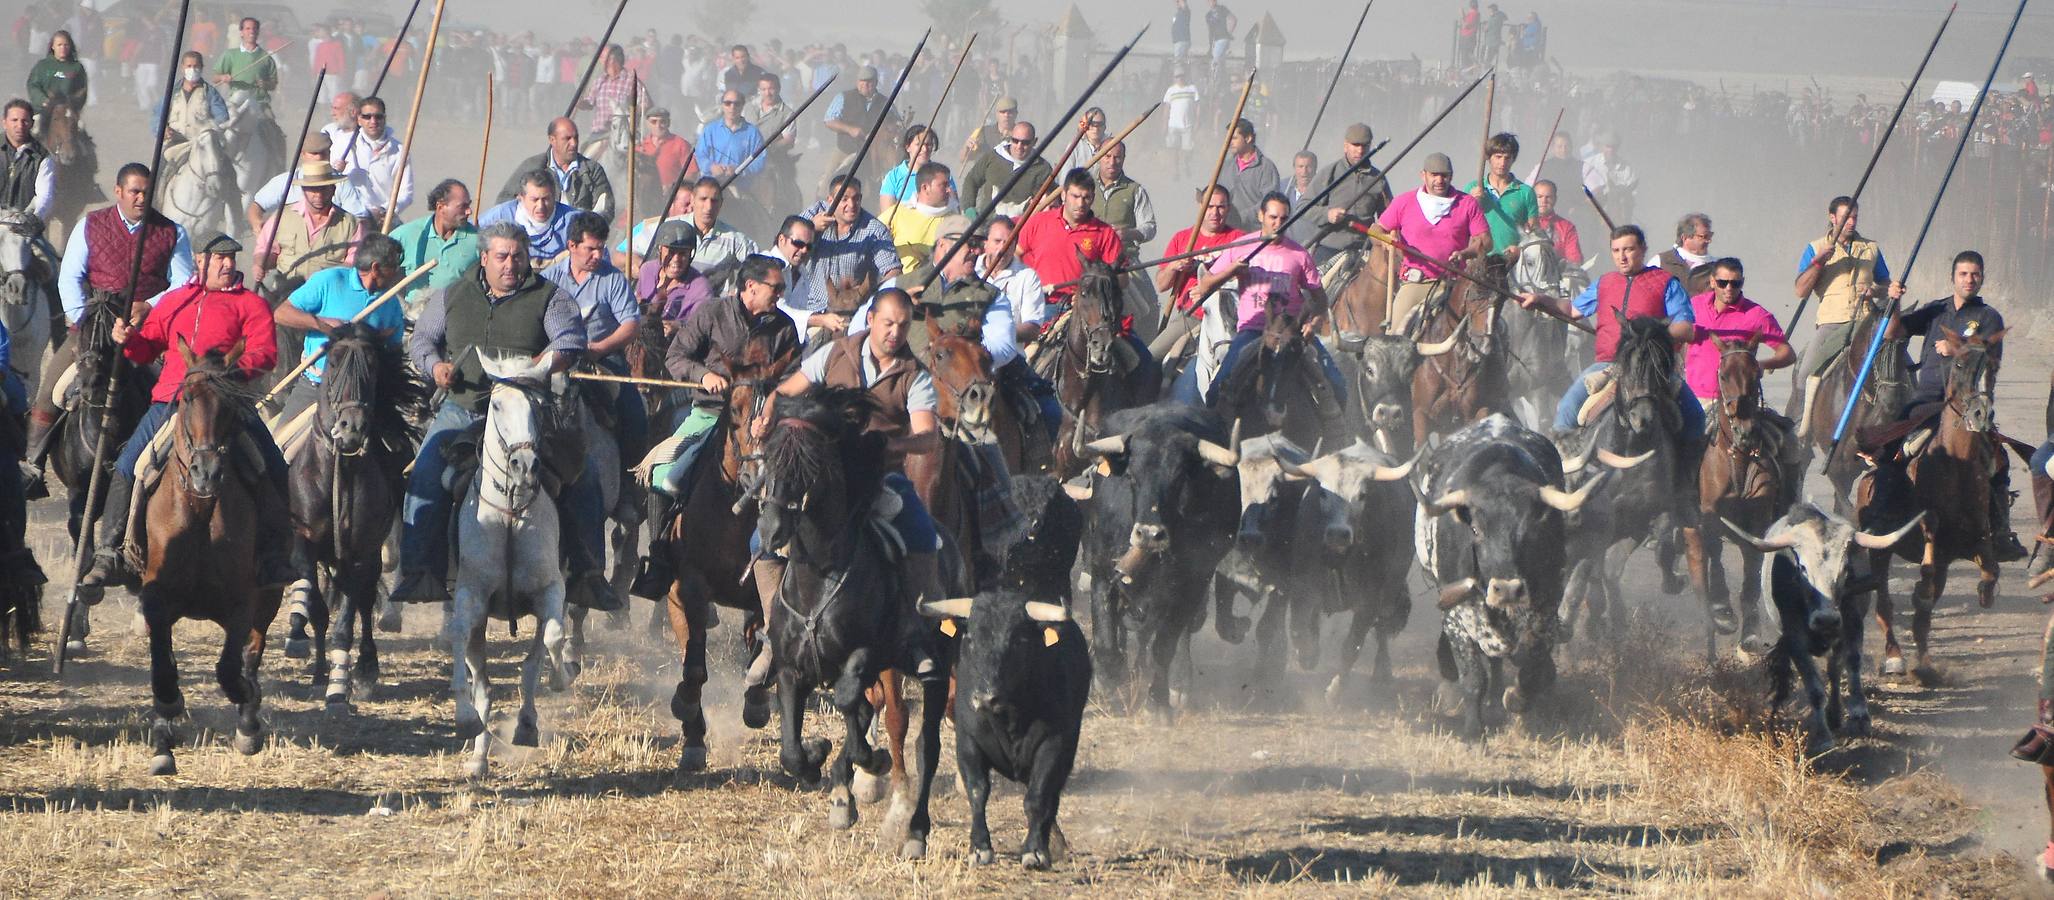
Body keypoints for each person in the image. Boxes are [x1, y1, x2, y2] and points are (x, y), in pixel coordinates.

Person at [394, 221, 619, 610]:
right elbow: (423, 340)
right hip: (465, 406)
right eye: (501, 257)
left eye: (518, 256)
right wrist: (435, 368)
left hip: (531, 407)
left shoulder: (550, 297)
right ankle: (420, 572)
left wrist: (546, 361)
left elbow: (569, 339)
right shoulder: (451, 295)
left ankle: (588, 574)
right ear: (484, 258)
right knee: (425, 474)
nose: (510, 265)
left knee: (583, 474)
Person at [78, 230, 293, 591]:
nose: (227, 264)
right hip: (171, 401)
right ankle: (110, 552)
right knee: (128, 464)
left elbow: (266, 354)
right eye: (220, 258)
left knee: (273, 466)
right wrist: (128, 339)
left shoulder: (251, 305)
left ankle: (276, 553)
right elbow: (147, 349)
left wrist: (226, 372)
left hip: (228, 403)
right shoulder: (176, 301)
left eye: (231, 257)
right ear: (200, 261)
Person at [759, 287, 945, 677]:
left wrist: (891, 442)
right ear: (871, 318)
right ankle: (774, 635)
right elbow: (785, 392)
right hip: (821, 476)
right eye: (888, 323)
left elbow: (927, 436)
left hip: (881, 475)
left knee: (922, 532)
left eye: (903, 325)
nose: (894, 332)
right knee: (760, 540)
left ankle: (912, 633)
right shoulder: (834, 353)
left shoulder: (915, 375)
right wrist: (766, 418)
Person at [632, 253, 800, 596]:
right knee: (666, 475)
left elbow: (795, 378)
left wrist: (770, 409)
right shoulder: (711, 313)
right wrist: (704, 375)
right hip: (708, 414)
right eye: (776, 287)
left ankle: (791, 567)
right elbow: (676, 357)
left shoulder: (784, 328)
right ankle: (660, 558)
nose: (780, 294)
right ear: (750, 286)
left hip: (764, 424)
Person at [25, 163, 193, 489]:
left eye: (146, 191)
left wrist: (150, 307)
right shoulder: (90, 225)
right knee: (52, 389)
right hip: (94, 326)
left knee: (176, 393)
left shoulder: (173, 232)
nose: (141, 198)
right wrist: (83, 320)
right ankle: (34, 463)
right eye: (134, 191)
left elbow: (184, 282)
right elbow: (71, 276)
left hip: (150, 331)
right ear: (118, 192)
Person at [1868, 250, 2023, 560]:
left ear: (1982, 278)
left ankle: (2000, 529)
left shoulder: (1989, 317)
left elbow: (1989, 355)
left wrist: (1957, 347)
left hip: (1968, 405)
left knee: (1998, 460)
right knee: (1888, 452)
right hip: (1924, 401)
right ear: (1953, 277)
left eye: (1975, 274)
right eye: (1964, 274)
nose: (1969, 279)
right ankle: (1881, 518)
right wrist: (1894, 301)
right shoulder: (1936, 311)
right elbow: (1892, 332)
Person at [1513, 225, 1701, 439]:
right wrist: (1540, 299)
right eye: (1616, 251)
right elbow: (1573, 310)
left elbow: (1686, 328)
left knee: (1696, 418)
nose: (1622, 257)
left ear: (1643, 249)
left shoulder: (1666, 283)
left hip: (1653, 369)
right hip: (1608, 365)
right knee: (1565, 413)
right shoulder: (1605, 283)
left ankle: (1692, 471)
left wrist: (1649, 335)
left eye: (1628, 249)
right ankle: (1564, 464)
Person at [1181, 192, 1342, 405]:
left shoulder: (1299, 255)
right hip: (1252, 330)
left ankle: (1339, 437)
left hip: (1291, 332)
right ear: (1261, 216)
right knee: (1216, 390)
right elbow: (1205, 286)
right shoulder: (1242, 246)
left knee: (1337, 383)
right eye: (1273, 218)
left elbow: (1319, 299)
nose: (1278, 224)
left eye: (1284, 219)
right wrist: (1231, 271)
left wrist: (1314, 323)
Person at [1682, 257, 1801, 506]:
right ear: (1712, 282)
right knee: (1672, 445)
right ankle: (1674, 510)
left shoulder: (1755, 314)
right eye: (1723, 282)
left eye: (1735, 284)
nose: (1728, 289)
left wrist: (1763, 364)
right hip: (1698, 399)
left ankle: (1791, 506)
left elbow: (1786, 352)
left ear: (1742, 283)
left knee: (1789, 439)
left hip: (1743, 404)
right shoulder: (1692, 308)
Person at [268, 233, 408, 425]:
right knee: (278, 448)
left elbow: (394, 349)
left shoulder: (390, 303)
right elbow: (281, 313)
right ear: (376, 268)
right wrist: (322, 324)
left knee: (399, 448)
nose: (398, 273)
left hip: (363, 395)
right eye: (393, 267)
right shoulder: (330, 280)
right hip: (315, 385)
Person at [1789, 196, 1900, 437]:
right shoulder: (1815, 247)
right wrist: (1819, 263)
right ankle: (1799, 429)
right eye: (1845, 218)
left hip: (1867, 320)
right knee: (1804, 372)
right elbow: (1800, 290)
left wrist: (1876, 291)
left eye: (1854, 217)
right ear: (1832, 217)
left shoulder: (1871, 248)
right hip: (1832, 321)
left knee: (1901, 364)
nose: (1851, 222)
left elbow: (1885, 284)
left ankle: (1904, 422)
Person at [542, 212, 648, 464]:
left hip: (604, 361)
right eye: (590, 249)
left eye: (601, 249)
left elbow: (631, 325)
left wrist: (599, 348)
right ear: (572, 246)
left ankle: (629, 481)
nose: (598, 256)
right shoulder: (548, 279)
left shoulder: (612, 279)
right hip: (555, 360)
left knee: (635, 418)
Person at [1372, 152, 1490, 335]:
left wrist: (1465, 253)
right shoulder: (1404, 202)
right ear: (1423, 175)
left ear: (1451, 176)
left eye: (1444, 175)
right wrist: (1387, 241)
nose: (1439, 180)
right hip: (1417, 284)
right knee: (1395, 336)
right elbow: (1375, 230)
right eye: (1434, 175)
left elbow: (1485, 241)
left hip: (1456, 284)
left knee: (1484, 330)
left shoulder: (1467, 203)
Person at [1151, 185, 1244, 360]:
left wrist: (1210, 288)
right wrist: (1174, 266)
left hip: (1229, 318)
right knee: (1150, 357)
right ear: (1200, 206)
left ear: (1228, 208)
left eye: (1221, 207)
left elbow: (1246, 279)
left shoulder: (1238, 239)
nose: (1215, 213)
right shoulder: (1183, 238)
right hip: (1192, 315)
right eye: (1209, 207)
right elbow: (1161, 285)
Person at [253, 159, 361, 287]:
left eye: (324, 189)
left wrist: (326, 280)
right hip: (285, 292)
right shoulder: (282, 216)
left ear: (333, 190)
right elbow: (264, 249)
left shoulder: (351, 224)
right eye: (313, 189)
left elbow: (353, 264)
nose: (318, 195)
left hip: (327, 294)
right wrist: (260, 264)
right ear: (304, 190)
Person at [388, 179, 480, 320]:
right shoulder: (405, 235)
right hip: (412, 318)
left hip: (454, 318)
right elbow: (382, 273)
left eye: (469, 205)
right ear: (440, 207)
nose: (469, 211)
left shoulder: (478, 240)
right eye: (463, 206)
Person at [802, 173, 902, 300]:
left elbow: (893, 271)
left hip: (851, 309)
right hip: (808, 306)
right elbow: (785, 243)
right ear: (830, 200)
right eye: (844, 199)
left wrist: (873, 297)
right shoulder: (814, 213)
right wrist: (811, 228)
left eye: (856, 198)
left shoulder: (875, 230)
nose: (852, 204)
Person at [246, 133, 372, 231]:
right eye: (313, 153)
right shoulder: (285, 181)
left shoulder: (342, 183)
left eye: (323, 153)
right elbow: (257, 206)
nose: (318, 158)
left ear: (329, 153)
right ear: (303, 154)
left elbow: (359, 218)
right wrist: (257, 224)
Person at [496, 117, 615, 218]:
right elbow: (504, 201)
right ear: (552, 140)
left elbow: (606, 210)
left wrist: (586, 228)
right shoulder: (533, 167)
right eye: (567, 138)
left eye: (576, 138)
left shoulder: (592, 170)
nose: (573, 143)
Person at [1310, 123, 1391, 265]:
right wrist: (1327, 214)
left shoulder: (1379, 179)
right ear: (1345, 145)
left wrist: (1380, 230)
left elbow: (1389, 216)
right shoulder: (1329, 173)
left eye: (1364, 146)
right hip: (1330, 249)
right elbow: (1304, 206)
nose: (1360, 151)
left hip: (1364, 250)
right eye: (1355, 145)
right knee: (1312, 285)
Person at [331, 95, 413, 225]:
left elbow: (406, 193)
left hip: (384, 221)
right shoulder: (342, 144)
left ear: (384, 119)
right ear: (359, 120)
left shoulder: (399, 151)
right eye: (367, 117)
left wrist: (383, 211)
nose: (373, 121)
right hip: (351, 221)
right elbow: (331, 186)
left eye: (378, 116)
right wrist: (336, 172)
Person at [820, 65, 895, 196]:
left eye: (869, 81)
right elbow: (829, 120)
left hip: (876, 154)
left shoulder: (886, 102)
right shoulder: (843, 97)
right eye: (862, 81)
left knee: (891, 179)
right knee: (828, 179)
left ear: (876, 82)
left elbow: (896, 124)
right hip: (846, 149)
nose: (865, 84)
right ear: (857, 81)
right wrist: (849, 129)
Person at [1461, 132, 1535, 263]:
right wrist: (1471, 202)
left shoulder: (1525, 192)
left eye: (1507, 158)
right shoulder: (1472, 188)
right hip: (1477, 260)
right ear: (1489, 158)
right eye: (1498, 157)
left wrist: (1520, 249)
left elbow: (1533, 233)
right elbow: (1459, 224)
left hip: (1510, 262)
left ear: (1513, 159)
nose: (1502, 162)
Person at [480, 169, 581, 261]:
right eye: (534, 200)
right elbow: (472, 231)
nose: (541, 206)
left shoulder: (573, 219)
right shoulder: (500, 215)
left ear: (554, 196)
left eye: (546, 199)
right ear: (521, 198)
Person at [960, 121, 1052, 218]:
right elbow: (972, 179)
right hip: (986, 224)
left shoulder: (1042, 169)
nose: (1019, 146)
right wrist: (968, 207)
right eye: (1015, 141)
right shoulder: (993, 157)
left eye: (1025, 143)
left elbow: (1048, 201)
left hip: (1021, 226)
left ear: (1034, 142)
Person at [1091, 140, 1157, 262]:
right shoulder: (1086, 187)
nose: (1112, 162)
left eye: (1117, 157)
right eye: (1107, 156)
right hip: (1089, 255)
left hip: (1124, 257)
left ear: (1124, 159)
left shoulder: (1135, 190)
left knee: (1142, 282)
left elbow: (1150, 227)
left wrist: (1128, 233)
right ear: (1099, 156)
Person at [638, 218, 714, 323]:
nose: (676, 259)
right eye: (671, 252)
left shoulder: (701, 290)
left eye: (682, 253)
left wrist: (678, 327)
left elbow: (702, 328)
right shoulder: (647, 271)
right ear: (660, 249)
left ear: (691, 254)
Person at [766, 216, 830, 339]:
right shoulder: (765, 265)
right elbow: (776, 310)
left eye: (809, 246)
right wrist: (819, 320)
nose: (804, 250)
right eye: (798, 243)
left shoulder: (802, 273)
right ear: (781, 240)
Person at [886, 162, 955, 272]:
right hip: (900, 283)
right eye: (944, 185)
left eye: (949, 185)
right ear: (925, 187)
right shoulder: (897, 213)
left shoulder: (955, 221)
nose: (949, 190)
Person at [1219, 118, 1281, 233]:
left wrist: (1241, 217)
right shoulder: (1226, 166)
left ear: (1248, 138)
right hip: (1227, 231)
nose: (1229, 143)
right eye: (1228, 138)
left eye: (1234, 138)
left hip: (1253, 232)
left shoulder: (1266, 167)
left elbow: (1269, 202)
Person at [696, 89, 766, 190]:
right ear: (722, 105)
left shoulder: (753, 132)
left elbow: (760, 161)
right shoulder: (709, 130)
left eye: (737, 104)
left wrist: (740, 170)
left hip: (741, 188)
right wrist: (711, 167)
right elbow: (699, 155)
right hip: (711, 186)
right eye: (728, 103)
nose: (732, 107)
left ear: (742, 106)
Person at [0, 98, 54, 220]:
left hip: (23, 224)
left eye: (24, 121)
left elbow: (44, 196)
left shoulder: (42, 157)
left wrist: (34, 218)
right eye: (14, 120)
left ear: (32, 123)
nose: (19, 125)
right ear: (4, 123)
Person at [579, 44, 648, 136]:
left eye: (602, 57)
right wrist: (581, 104)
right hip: (599, 132)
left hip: (623, 133)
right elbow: (590, 103)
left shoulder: (631, 81)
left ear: (612, 59)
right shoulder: (599, 81)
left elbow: (645, 104)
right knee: (587, 150)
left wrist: (629, 113)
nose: (600, 60)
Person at [879, 124, 946, 214]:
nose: (924, 149)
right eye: (919, 144)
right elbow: (886, 215)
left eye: (928, 144)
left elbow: (953, 208)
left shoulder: (942, 175)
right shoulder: (893, 177)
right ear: (908, 147)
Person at [213, 17, 277, 104]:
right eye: (248, 28)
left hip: (260, 103)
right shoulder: (230, 54)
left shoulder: (267, 57)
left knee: (269, 117)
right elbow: (215, 78)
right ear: (241, 33)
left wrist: (265, 84)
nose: (251, 31)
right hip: (236, 102)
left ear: (258, 32)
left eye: (254, 28)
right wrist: (222, 77)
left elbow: (273, 85)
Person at [26, 30, 86, 118]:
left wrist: (73, 105)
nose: (63, 48)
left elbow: (82, 90)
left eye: (66, 45)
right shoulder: (42, 65)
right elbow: (33, 86)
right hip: (42, 111)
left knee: (80, 128)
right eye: (59, 45)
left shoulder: (77, 67)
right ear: (53, 46)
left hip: (68, 112)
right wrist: (43, 100)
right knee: (34, 130)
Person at [636, 107, 695, 195]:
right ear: (647, 124)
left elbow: (692, 174)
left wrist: (673, 187)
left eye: (662, 122)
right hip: (644, 199)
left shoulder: (681, 144)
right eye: (654, 122)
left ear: (669, 123)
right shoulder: (639, 148)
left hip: (671, 199)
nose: (658, 126)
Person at [1655, 212, 1714, 294]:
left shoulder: (1716, 267)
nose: (1709, 241)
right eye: (1703, 237)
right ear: (1685, 238)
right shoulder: (1660, 262)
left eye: (1710, 235)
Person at [1530, 179, 1582, 265]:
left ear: (1555, 199)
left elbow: (1575, 259)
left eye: (1548, 197)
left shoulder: (1567, 227)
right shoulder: (1521, 222)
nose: (1544, 201)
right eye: (1539, 197)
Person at [961, 95, 1018, 165]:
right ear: (996, 114)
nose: (1006, 115)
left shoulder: (1020, 137)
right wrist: (966, 147)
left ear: (1016, 114)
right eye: (1003, 112)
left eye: (1010, 112)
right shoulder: (983, 132)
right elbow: (963, 159)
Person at [1162, 70, 1200, 177]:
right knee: (1174, 148)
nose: (1179, 78)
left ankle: (1186, 164)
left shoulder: (1192, 88)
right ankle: (1176, 170)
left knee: (1188, 148)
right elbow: (1166, 108)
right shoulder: (1171, 90)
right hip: (1173, 125)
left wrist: (1198, 121)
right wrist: (1164, 123)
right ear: (1174, 78)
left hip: (1188, 125)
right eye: (1177, 76)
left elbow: (1197, 105)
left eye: (1181, 76)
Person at [1060, 108, 1107, 176]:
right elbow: (1065, 175)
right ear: (1085, 125)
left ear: (1104, 127)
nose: (1095, 128)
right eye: (1091, 124)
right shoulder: (1074, 146)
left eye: (1099, 124)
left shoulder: (1111, 145)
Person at [1205, 0, 1237, 67]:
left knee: (1215, 62)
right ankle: (1221, 76)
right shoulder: (1208, 15)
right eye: (1210, 1)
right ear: (1207, 2)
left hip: (1223, 38)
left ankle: (1214, 76)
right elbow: (1210, 32)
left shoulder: (1222, 9)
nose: (1212, 2)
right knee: (1221, 62)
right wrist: (1210, 46)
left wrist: (1229, 33)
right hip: (1216, 40)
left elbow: (1233, 19)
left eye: (1213, 0)